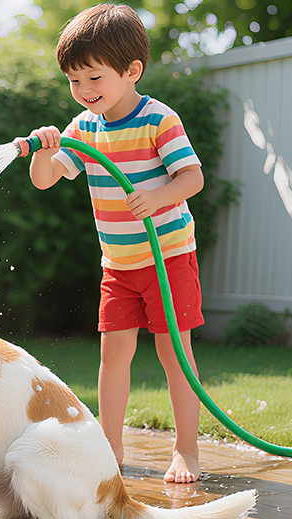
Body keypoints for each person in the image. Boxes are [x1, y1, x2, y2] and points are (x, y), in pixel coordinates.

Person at [26, 3, 208, 483]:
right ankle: (109, 448)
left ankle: (186, 451)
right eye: (74, 80)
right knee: (113, 356)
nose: (84, 90)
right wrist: (44, 151)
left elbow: (192, 177)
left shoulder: (158, 120)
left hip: (167, 256)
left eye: (94, 77)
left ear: (132, 71)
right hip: (119, 263)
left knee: (175, 355)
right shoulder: (84, 127)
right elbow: (46, 179)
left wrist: (158, 196)